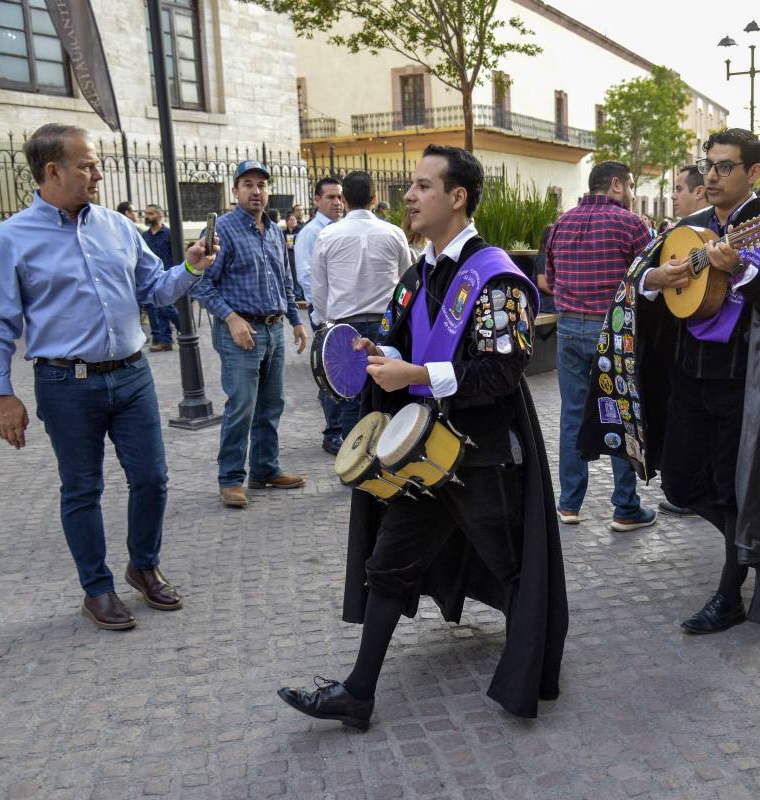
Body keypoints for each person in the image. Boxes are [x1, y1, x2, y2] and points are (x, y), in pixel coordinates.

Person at [277, 145, 567, 728]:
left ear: (457, 198)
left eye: (422, 186)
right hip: (423, 456)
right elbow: (400, 344)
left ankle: (533, 661)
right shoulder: (416, 276)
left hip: (483, 456)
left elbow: (503, 372)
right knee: (388, 563)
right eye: (411, 186)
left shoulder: (498, 278)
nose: (408, 196)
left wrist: (415, 375)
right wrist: (380, 354)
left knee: (512, 568)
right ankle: (358, 693)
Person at [0, 123, 218, 630]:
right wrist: (0, 393)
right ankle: (97, 588)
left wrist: (190, 269)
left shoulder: (116, 226)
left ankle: (143, 566)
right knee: (82, 489)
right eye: (87, 165)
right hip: (65, 385)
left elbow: (155, 287)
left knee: (152, 478)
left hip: (132, 376)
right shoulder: (12, 238)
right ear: (53, 171)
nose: (98, 174)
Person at [578, 128, 760, 633]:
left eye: (725, 166)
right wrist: (654, 280)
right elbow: (641, 276)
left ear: (753, 173)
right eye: (708, 164)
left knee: (733, 489)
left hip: (744, 383)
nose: (710, 175)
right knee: (682, 484)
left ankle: (730, 595)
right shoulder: (687, 228)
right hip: (686, 375)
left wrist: (745, 273)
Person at [190, 160, 309, 509]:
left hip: (273, 330)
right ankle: (230, 479)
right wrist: (231, 319)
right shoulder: (220, 232)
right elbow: (199, 283)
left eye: (261, 185)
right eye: (248, 184)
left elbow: (283, 279)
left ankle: (265, 469)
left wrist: (295, 320)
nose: (256, 191)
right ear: (235, 191)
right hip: (240, 333)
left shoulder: (273, 231)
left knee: (272, 405)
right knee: (242, 405)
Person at [546, 161, 656, 530]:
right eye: (630, 186)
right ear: (615, 185)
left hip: (567, 330)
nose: (632, 194)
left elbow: (550, 277)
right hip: (611, 331)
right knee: (620, 411)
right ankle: (625, 508)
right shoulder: (631, 224)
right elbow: (649, 278)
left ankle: (569, 504)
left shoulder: (562, 222)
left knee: (573, 415)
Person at [307, 170, 411, 453]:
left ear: (344, 199)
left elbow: (319, 289)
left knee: (350, 399)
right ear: (375, 198)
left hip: (344, 329)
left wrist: (325, 323)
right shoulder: (394, 233)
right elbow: (406, 282)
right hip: (385, 327)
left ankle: (355, 461)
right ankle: (386, 455)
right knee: (387, 393)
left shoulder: (327, 235)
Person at [295, 178, 345, 318]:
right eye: (330, 197)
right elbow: (306, 275)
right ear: (317, 200)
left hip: (345, 308)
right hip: (326, 312)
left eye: (340, 197)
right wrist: (322, 313)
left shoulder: (343, 228)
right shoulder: (310, 233)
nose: (337, 202)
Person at [140, 204, 181, 352]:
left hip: (168, 275)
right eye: (146, 213)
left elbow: (178, 254)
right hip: (151, 277)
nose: (146, 216)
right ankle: (166, 341)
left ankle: (184, 328)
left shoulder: (169, 234)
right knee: (159, 309)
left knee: (166, 308)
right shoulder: (145, 236)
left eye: (150, 213)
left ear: (159, 215)